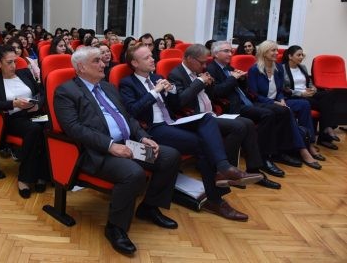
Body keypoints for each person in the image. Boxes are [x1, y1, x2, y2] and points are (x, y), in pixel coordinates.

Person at [54, 46, 180, 255]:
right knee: (133, 173)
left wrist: (143, 136)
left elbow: (128, 117)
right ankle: (116, 227)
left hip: (128, 144)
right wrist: (110, 146)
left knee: (169, 156)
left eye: (102, 60)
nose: (104, 63)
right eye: (96, 61)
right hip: (96, 152)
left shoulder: (108, 87)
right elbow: (74, 129)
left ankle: (149, 207)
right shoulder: (66, 91)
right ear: (81, 67)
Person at [119, 44, 262, 221]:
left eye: (152, 56)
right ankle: (218, 190)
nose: (153, 59)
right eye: (147, 57)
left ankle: (222, 171)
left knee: (208, 118)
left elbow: (175, 104)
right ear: (134, 62)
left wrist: (170, 91)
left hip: (172, 122)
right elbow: (132, 111)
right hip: (154, 129)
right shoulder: (127, 83)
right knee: (204, 144)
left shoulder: (157, 77)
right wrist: (154, 92)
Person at [168, 44, 269, 182]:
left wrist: (209, 84)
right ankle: (224, 170)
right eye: (202, 62)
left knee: (248, 123)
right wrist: (199, 82)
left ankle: (253, 168)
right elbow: (180, 101)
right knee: (238, 127)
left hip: (210, 114)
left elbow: (211, 95)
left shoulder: (198, 71)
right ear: (190, 59)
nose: (204, 66)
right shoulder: (176, 74)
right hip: (196, 118)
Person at [207, 41, 291, 181]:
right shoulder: (211, 69)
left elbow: (242, 89)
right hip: (234, 107)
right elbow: (216, 93)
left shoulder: (228, 67)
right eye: (226, 51)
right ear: (216, 54)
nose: (230, 53)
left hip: (246, 102)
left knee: (282, 111)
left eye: (230, 51)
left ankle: (278, 151)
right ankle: (264, 156)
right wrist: (233, 79)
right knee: (268, 114)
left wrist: (242, 79)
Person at [0, 45, 48, 199]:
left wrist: (38, 104)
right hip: (14, 119)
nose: (13, 66)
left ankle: (39, 171)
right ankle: (26, 177)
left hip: (34, 114)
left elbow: (42, 91)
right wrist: (13, 104)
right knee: (34, 130)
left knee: (50, 125)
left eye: (15, 62)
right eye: (9, 62)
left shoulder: (24, 73)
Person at [247, 40, 321, 170]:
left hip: (277, 101)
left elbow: (280, 90)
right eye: (273, 50)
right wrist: (274, 102)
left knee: (304, 105)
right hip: (261, 103)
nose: (277, 53)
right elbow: (254, 94)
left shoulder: (278, 68)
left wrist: (281, 99)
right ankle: (302, 149)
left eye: (277, 50)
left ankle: (309, 143)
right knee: (286, 111)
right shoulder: (254, 70)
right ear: (264, 53)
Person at [282, 45, 338, 151]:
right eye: (298, 55)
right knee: (324, 104)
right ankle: (326, 132)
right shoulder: (282, 68)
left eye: (302, 55)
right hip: (296, 96)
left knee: (329, 95)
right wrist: (301, 94)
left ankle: (327, 128)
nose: (301, 57)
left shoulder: (302, 67)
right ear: (290, 56)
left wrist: (313, 88)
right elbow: (284, 89)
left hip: (308, 94)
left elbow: (309, 81)